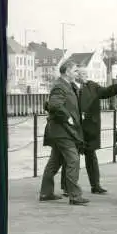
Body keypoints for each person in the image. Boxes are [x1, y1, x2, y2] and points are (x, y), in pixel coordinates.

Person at [60, 66, 117, 195]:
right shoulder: (68, 87)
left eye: (86, 74)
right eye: (82, 73)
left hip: (90, 128)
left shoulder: (92, 86)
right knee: (71, 158)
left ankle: (96, 185)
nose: (85, 76)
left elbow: (106, 92)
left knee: (91, 157)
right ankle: (67, 187)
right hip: (74, 128)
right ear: (76, 75)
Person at [39, 60, 89, 205]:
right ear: (67, 71)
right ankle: (74, 196)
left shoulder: (68, 86)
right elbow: (54, 105)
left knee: (54, 162)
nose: (76, 73)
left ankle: (46, 193)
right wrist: (68, 118)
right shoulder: (60, 86)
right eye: (74, 71)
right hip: (62, 131)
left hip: (61, 131)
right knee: (73, 160)